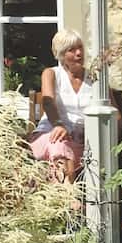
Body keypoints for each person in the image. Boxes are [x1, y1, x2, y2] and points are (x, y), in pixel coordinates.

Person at [29, 29, 91, 183]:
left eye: (80, 48)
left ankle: (59, 201)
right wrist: (58, 124)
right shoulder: (51, 73)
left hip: (79, 142)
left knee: (62, 150)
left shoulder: (94, 77)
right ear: (62, 55)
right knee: (58, 146)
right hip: (49, 135)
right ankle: (68, 198)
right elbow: (48, 101)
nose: (79, 53)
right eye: (72, 50)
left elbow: (115, 114)